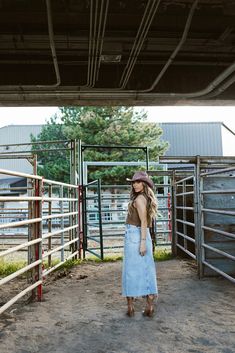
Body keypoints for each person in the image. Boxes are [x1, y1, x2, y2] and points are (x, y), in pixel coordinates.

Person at [122, 171, 158, 317]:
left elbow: (143, 221)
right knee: (146, 268)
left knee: (130, 270)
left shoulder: (139, 200)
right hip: (140, 235)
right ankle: (147, 305)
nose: (135, 184)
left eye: (138, 182)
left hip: (136, 235)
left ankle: (131, 306)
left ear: (144, 184)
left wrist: (142, 243)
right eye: (133, 182)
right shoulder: (142, 198)